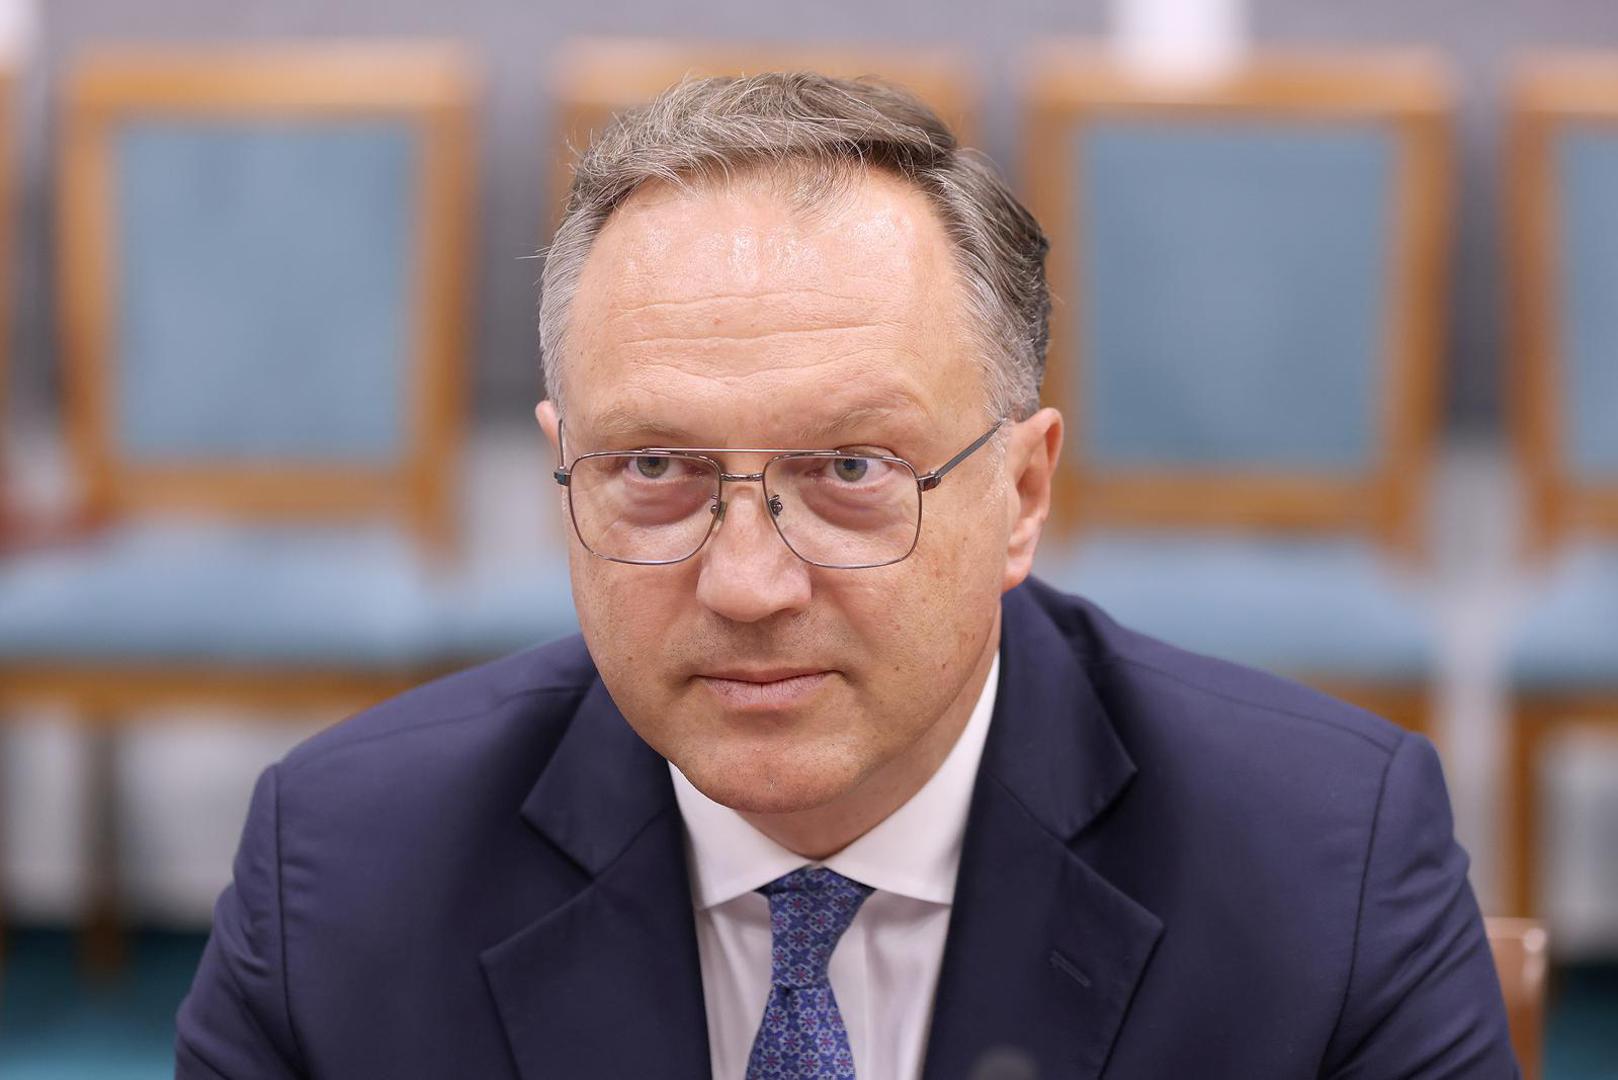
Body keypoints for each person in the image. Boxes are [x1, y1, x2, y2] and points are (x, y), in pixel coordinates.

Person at [177, 73, 1516, 1079]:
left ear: (1020, 495)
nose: (748, 585)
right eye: (655, 468)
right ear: (563, 479)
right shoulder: (341, 874)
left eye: (853, 470)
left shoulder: (1321, 867)